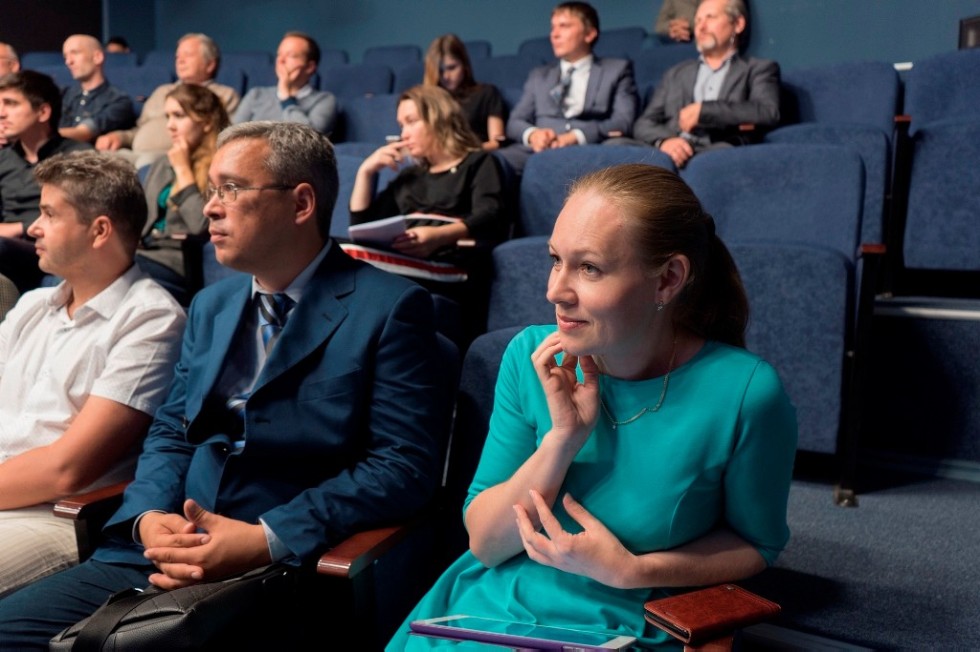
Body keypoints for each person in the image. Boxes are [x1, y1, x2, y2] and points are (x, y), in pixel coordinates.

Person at [0, 121, 450, 649]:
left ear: (301, 203)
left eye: (231, 189)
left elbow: (401, 467)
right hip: (157, 553)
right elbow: (171, 430)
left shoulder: (391, 308)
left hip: (281, 568)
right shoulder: (212, 306)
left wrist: (266, 538)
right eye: (212, 189)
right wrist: (149, 517)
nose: (211, 206)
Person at [387, 163, 798, 650]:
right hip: (486, 612)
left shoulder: (746, 392)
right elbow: (486, 543)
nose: (555, 291)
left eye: (589, 268)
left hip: (622, 624)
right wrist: (561, 440)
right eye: (555, 260)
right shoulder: (529, 357)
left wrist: (632, 569)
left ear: (667, 279)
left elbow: (757, 545)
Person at [0, 150, 185, 598]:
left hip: (52, 514)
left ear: (99, 230)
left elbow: (68, 468)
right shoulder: (31, 306)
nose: (33, 227)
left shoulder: (151, 318)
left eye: (49, 213)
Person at [348, 84, 508, 341]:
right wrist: (366, 172)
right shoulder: (412, 176)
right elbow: (361, 227)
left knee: (342, 256)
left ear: (438, 118)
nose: (403, 135)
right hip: (411, 263)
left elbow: (491, 214)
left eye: (411, 122)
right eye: (401, 125)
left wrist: (439, 236)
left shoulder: (478, 162)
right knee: (343, 251)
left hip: (453, 266)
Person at [633, 0, 778, 168]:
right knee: (616, 145)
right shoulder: (675, 73)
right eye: (698, 20)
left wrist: (705, 111)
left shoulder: (759, 69)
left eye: (710, 17)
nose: (700, 27)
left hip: (717, 152)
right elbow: (644, 123)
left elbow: (768, 111)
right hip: (672, 150)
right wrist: (666, 141)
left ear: (738, 24)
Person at [499, 1, 639, 173]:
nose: (554, 35)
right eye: (553, 27)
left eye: (564, 26)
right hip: (540, 148)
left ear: (589, 34)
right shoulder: (539, 76)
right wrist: (534, 135)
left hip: (590, 146)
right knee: (492, 161)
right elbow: (514, 122)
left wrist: (577, 136)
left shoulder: (617, 69)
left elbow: (623, 121)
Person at [138, 84, 230, 303]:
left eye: (178, 116)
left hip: (178, 262)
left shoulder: (222, 167)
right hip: (142, 253)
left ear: (206, 122)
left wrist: (183, 171)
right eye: (167, 116)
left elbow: (201, 224)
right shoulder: (162, 163)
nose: (169, 125)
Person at [0, 71, 91, 294]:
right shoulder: (3, 159)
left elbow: (83, 216)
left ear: (43, 112)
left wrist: (17, 228)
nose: (1, 113)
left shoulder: (79, 157)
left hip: (53, 247)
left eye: (10, 103)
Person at [95, 33, 240, 168]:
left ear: (210, 64)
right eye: (177, 57)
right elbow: (140, 129)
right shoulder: (162, 91)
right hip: (137, 153)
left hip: (180, 159)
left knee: (147, 163)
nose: (180, 61)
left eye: (188, 55)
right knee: (98, 160)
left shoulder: (224, 95)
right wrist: (120, 136)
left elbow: (223, 139)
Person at [233, 32, 336, 136]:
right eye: (279, 55)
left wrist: (286, 97)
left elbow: (308, 138)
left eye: (291, 56)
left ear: (310, 67)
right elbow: (232, 136)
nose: (280, 60)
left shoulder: (324, 100)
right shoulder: (256, 94)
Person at [423, 33, 506, 150]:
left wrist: (465, 154)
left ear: (464, 65)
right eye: (440, 71)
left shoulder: (487, 93)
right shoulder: (428, 100)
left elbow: (496, 142)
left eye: (452, 68)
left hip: (473, 157)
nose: (446, 76)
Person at [59, 34, 137, 143]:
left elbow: (84, 133)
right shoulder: (64, 95)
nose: (68, 62)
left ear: (97, 57)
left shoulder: (119, 100)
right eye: (65, 57)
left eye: (75, 53)